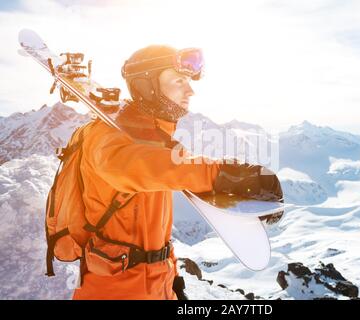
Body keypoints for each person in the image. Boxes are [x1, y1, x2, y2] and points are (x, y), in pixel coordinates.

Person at [72, 45, 282, 300]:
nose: (190, 90)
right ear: (146, 86)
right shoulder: (106, 137)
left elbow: (155, 235)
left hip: (157, 286)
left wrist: (173, 282)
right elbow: (144, 166)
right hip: (113, 291)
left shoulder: (154, 139)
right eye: (179, 80)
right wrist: (224, 175)